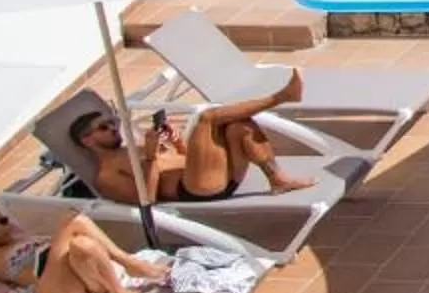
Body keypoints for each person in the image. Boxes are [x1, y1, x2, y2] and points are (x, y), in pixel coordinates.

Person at [71, 77, 314, 204]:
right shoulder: (106, 175)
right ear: (87, 140)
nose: (113, 129)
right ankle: (282, 96)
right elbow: (146, 200)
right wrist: (152, 157)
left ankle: (278, 179)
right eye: (104, 128)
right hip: (195, 191)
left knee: (238, 127)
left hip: (211, 178)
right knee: (207, 118)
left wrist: (178, 144)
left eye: (112, 123)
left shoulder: (135, 147)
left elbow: (188, 161)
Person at [0, 194, 170, 293]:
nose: (2, 229)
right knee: (73, 220)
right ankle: (127, 270)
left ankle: (109, 286)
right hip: (50, 289)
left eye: (3, 221)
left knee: (83, 245)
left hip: (78, 282)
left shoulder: (22, 237)